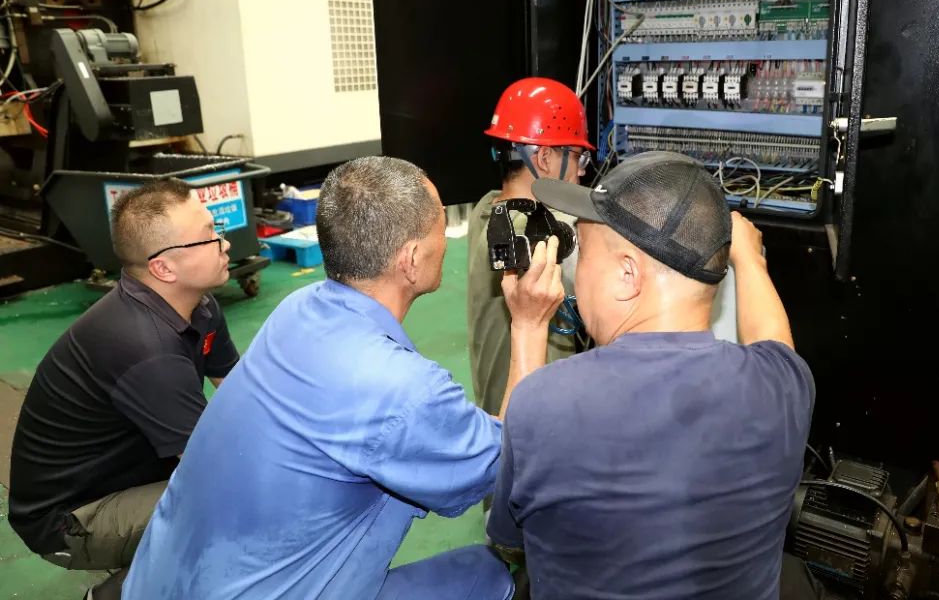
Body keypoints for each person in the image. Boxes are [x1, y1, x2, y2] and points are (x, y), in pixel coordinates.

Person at [124, 156, 565, 600]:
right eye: (438, 228)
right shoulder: (402, 390)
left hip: (157, 582)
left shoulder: (296, 309)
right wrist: (529, 325)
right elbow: (510, 462)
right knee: (488, 577)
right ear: (412, 259)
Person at [486, 151, 816, 599]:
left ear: (628, 274)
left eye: (583, 252)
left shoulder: (543, 403)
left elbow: (510, 540)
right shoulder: (786, 386)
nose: (573, 273)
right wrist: (749, 260)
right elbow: (773, 339)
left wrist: (527, 328)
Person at [8, 178, 240, 600]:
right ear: (163, 268)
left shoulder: (198, 305)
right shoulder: (147, 350)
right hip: (69, 519)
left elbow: (240, 394)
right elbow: (216, 466)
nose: (224, 243)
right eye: (209, 236)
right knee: (231, 504)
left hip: (124, 476)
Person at [467, 77, 593, 416]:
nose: (581, 173)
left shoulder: (487, 210)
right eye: (578, 157)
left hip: (497, 405)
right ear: (546, 158)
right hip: (539, 419)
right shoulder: (551, 236)